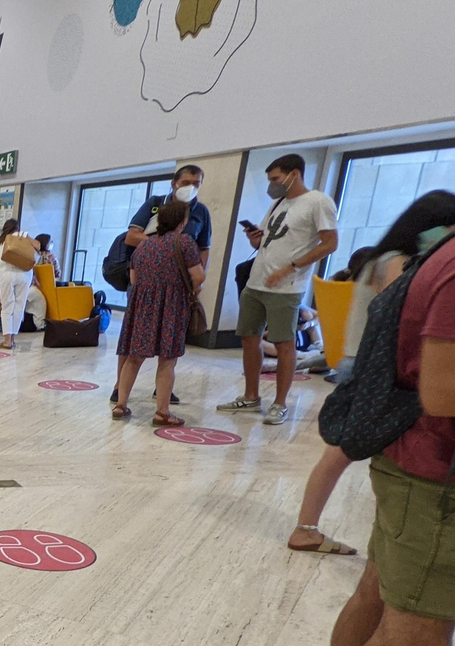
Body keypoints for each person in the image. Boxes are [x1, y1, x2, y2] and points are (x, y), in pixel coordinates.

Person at [293, 222, 455, 646]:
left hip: (413, 461)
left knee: (376, 597)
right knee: (417, 638)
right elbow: (442, 391)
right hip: (433, 474)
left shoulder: (428, 255)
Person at [287, 192, 455, 557]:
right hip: (372, 370)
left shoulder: (382, 258)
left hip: (360, 363)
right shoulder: (398, 262)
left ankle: (316, 527)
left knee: (346, 453)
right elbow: (399, 319)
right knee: (346, 452)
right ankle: (307, 528)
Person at [219, 154, 339, 425]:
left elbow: (330, 243)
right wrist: (255, 240)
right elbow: (267, 243)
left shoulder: (318, 202)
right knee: (249, 338)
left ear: (294, 174)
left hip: (286, 288)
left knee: (284, 344)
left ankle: (280, 403)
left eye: (275, 178)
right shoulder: (278, 203)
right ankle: (251, 396)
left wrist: (291, 266)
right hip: (257, 282)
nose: (272, 184)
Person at [112, 198, 203, 425]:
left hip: (141, 306)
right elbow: (199, 276)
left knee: (134, 358)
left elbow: (133, 278)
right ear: (183, 221)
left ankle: (121, 405)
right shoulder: (185, 243)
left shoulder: (145, 245)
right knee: (167, 360)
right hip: (172, 306)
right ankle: (162, 412)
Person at [0, 219, 34, 351]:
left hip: (6, 275)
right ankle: (13, 339)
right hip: (24, 275)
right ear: (18, 228)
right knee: (19, 306)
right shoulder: (23, 239)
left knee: (7, 306)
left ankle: (7, 340)